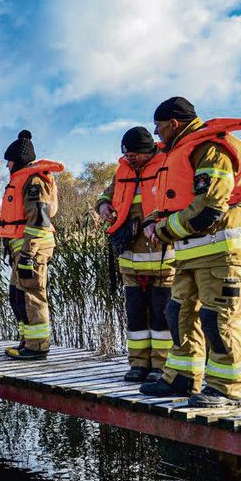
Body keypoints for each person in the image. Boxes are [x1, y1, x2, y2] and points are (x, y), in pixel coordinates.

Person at [141, 97, 241, 407]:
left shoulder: (209, 149)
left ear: (174, 124)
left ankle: (225, 388)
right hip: (191, 252)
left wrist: (164, 231)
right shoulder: (182, 151)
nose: (156, 133)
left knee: (218, 319)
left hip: (223, 252)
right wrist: (155, 220)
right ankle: (182, 377)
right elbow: (177, 201)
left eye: (159, 126)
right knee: (178, 313)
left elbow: (209, 207)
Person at [96, 127, 174, 381]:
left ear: (147, 150)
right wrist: (103, 205)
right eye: (126, 153)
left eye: (134, 154)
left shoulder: (167, 165)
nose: (130, 158)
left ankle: (160, 367)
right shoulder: (123, 172)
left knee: (162, 316)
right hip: (131, 259)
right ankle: (138, 364)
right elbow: (108, 193)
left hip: (162, 259)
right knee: (136, 315)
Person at [0, 130, 63, 359]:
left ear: (19, 160)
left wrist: (27, 254)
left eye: (10, 161)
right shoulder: (24, 178)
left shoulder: (34, 181)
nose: (7, 166)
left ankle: (37, 347)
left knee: (32, 294)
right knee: (18, 294)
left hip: (33, 249)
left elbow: (38, 220)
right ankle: (28, 341)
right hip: (24, 249)